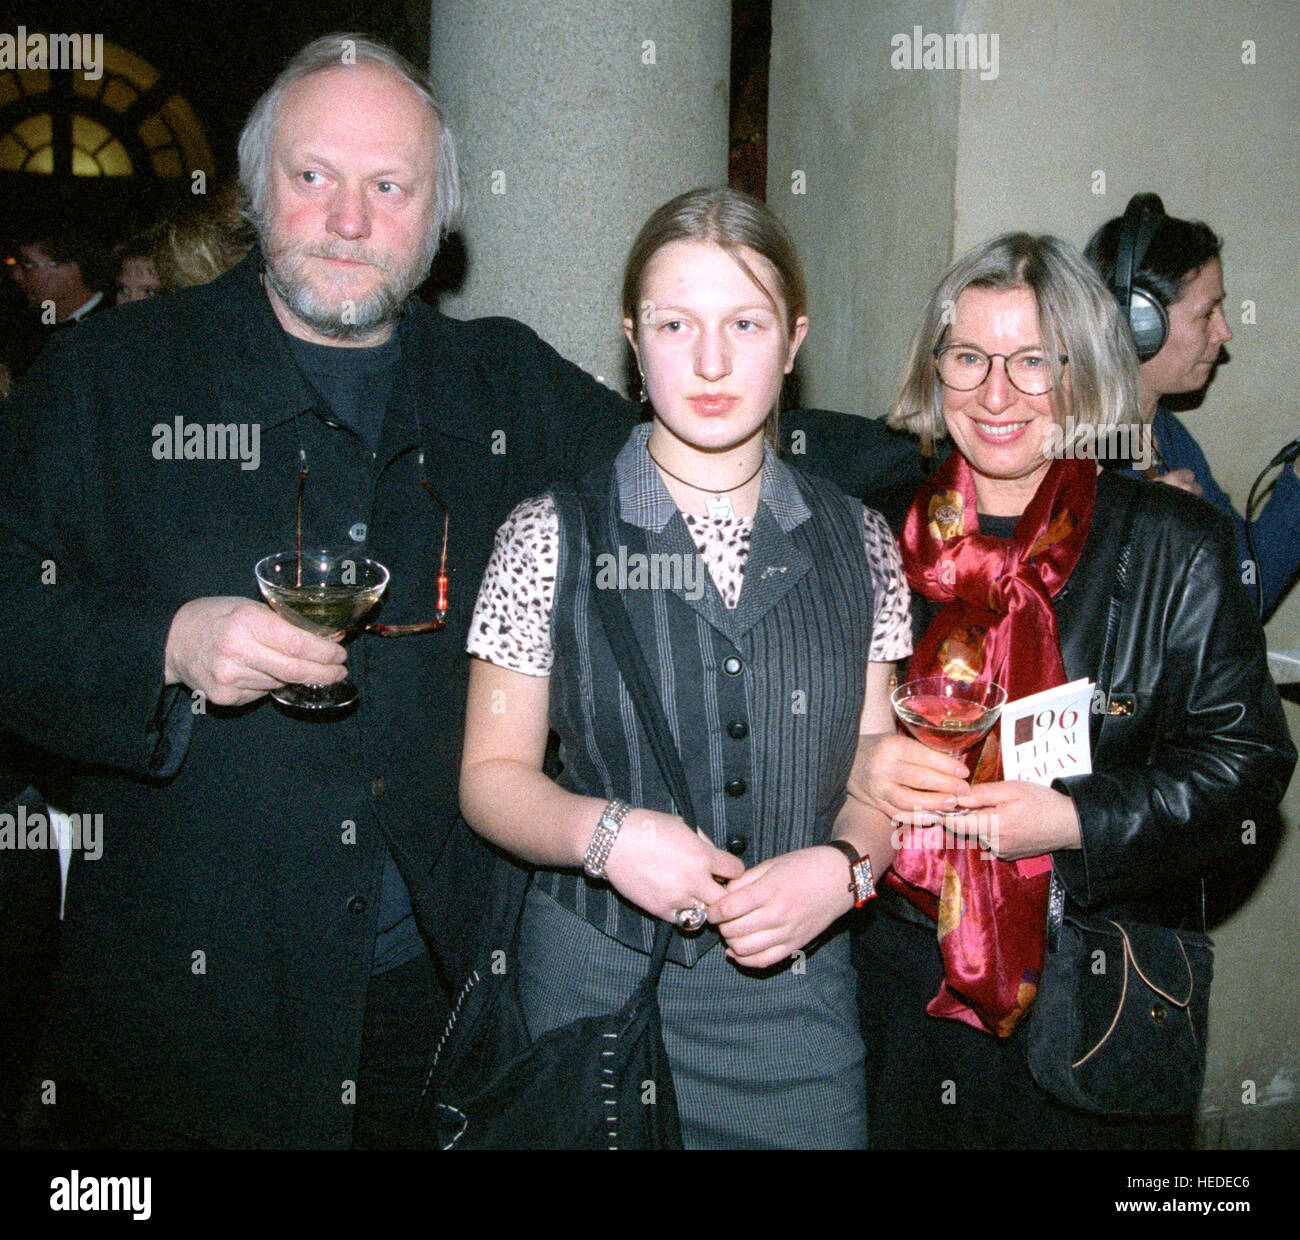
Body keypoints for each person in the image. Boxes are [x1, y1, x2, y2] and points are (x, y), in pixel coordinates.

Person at [0, 33, 637, 1149]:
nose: (349, 220)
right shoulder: (109, 378)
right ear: (256, 192)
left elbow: (689, 466)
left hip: (432, 1019)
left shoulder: (499, 380)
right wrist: (166, 642)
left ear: (438, 217)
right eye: (314, 178)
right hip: (180, 1037)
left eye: (388, 187)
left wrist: (966, 441)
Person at [459, 187, 911, 1149]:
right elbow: (490, 780)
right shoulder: (550, 533)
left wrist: (847, 874)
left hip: (798, 1008)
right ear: (634, 339)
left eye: (745, 323)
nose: (711, 362)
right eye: (676, 324)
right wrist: (606, 835)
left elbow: (879, 774)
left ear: (793, 340)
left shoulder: (863, 541)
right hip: (593, 997)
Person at [851, 232, 1294, 1149]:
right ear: (936, 369)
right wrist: (856, 762)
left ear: (1085, 369)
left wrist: (1075, 821)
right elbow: (785, 727)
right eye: (969, 356)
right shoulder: (867, 533)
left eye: (1033, 361)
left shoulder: (1178, 546)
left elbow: (1248, 766)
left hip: (1100, 980)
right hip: (899, 978)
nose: (996, 393)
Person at [1085, 197, 1300, 615]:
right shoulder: (1063, 445)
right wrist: (1130, 531)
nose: (1225, 331)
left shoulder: (1165, 434)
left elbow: (1245, 592)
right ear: (1138, 322)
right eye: (1207, 314)